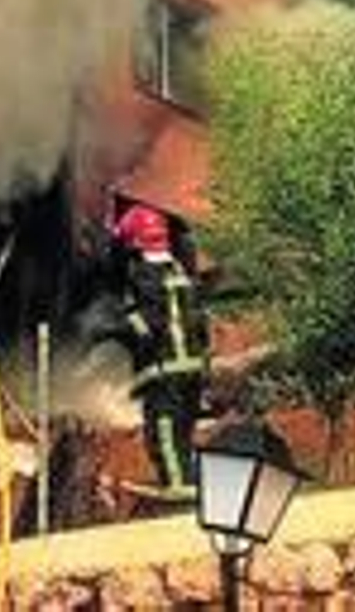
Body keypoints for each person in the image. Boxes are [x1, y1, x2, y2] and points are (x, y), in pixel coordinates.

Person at [81, 202, 208, 501]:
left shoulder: (142, 276)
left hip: (162, 370)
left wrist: (106, 333)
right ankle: (191, 482)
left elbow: (144, 326)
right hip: (192, 368)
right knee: (183, 430)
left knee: (162, 431)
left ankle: (178, 490)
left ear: (133, 244)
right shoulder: (180, 272)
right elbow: (197, 322)